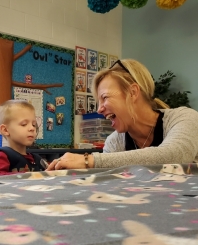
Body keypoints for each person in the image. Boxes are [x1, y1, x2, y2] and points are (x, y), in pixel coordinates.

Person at [47, 58, 198, 171]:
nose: (99, 109)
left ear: (132, 92)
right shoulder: (114, 142)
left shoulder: (184, 118)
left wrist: (89, 161)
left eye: (105, 97)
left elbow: (174, 156)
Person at [0, 100, 46, 176]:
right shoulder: (1, 156)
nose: (32, 128)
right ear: (5, 130)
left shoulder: (37, 159)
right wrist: (27, 175)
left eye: (34, 125)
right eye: (24, 124)